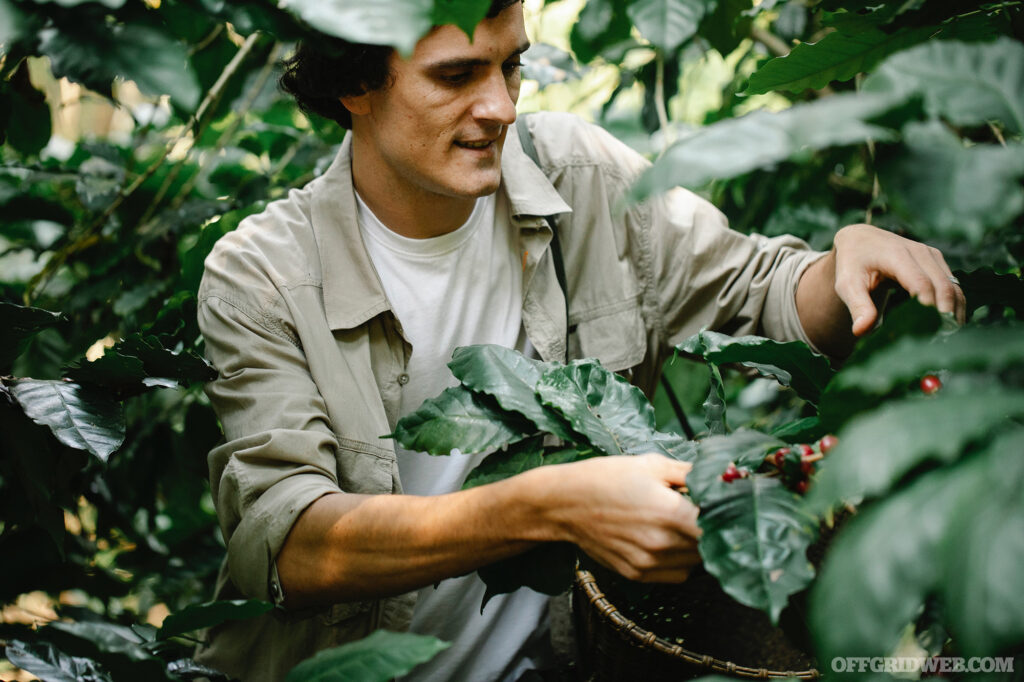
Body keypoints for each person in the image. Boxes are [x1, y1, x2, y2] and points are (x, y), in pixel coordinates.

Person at [194, 1, 966, 679]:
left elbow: (759, 287)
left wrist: (845, 268)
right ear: (353, 84)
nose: (499, 105)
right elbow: (292, 546)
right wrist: (548, 506)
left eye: (512, 65)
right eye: (457, 75)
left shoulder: (576, 174)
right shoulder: (263, 277)